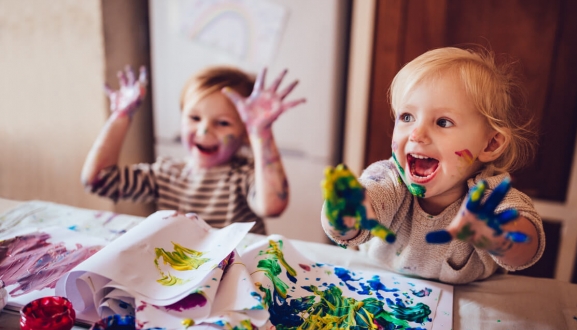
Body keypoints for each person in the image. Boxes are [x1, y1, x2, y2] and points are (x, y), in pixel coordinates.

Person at [321, 47, 545, 284]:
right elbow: (350, 227)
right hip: (377, 290)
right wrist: (342, 215)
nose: (417, 134)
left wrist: (498, 236)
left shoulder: (488, 199)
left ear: (490, 144)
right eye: (407, 117)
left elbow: (526, 251)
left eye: (443, 122)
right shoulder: (389, 178)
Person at [81, 65, 305, 235]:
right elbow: (98, 180)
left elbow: (273, 206)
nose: (204, 130)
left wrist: (261, 132)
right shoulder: (166, 174)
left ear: (245, 133)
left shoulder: (244, 177)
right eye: (194, 118)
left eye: (223, 123)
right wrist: (121, 116)